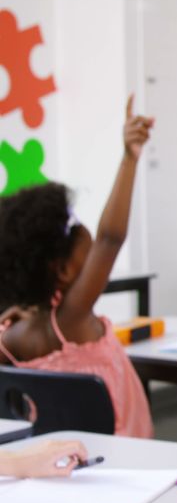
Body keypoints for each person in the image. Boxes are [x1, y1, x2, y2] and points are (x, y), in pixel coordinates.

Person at [0, 97, 154, 438]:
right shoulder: (69, 319)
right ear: (65, 271)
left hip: (63, 459)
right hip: (126, 460)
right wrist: (129, 158)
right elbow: (111, 238)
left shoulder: (11, 336)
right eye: (86, 246)